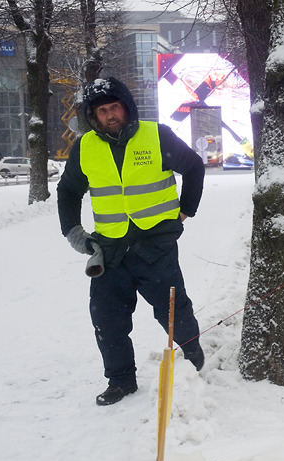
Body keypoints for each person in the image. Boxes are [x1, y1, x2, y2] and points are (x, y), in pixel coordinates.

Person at [57, 77, 206, 406]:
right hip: (110, 251)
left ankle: (194, 361)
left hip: (155, 247)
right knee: (107, 318)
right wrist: (72, 232)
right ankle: (121, 381)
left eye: (115, 107)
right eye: (102, 110)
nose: (110, 115)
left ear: (126, 107)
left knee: (172, 312)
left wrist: (185, 212)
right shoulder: (86, 147)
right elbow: (68, 191)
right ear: (93, 116)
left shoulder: (156, 135)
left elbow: (194, 167)